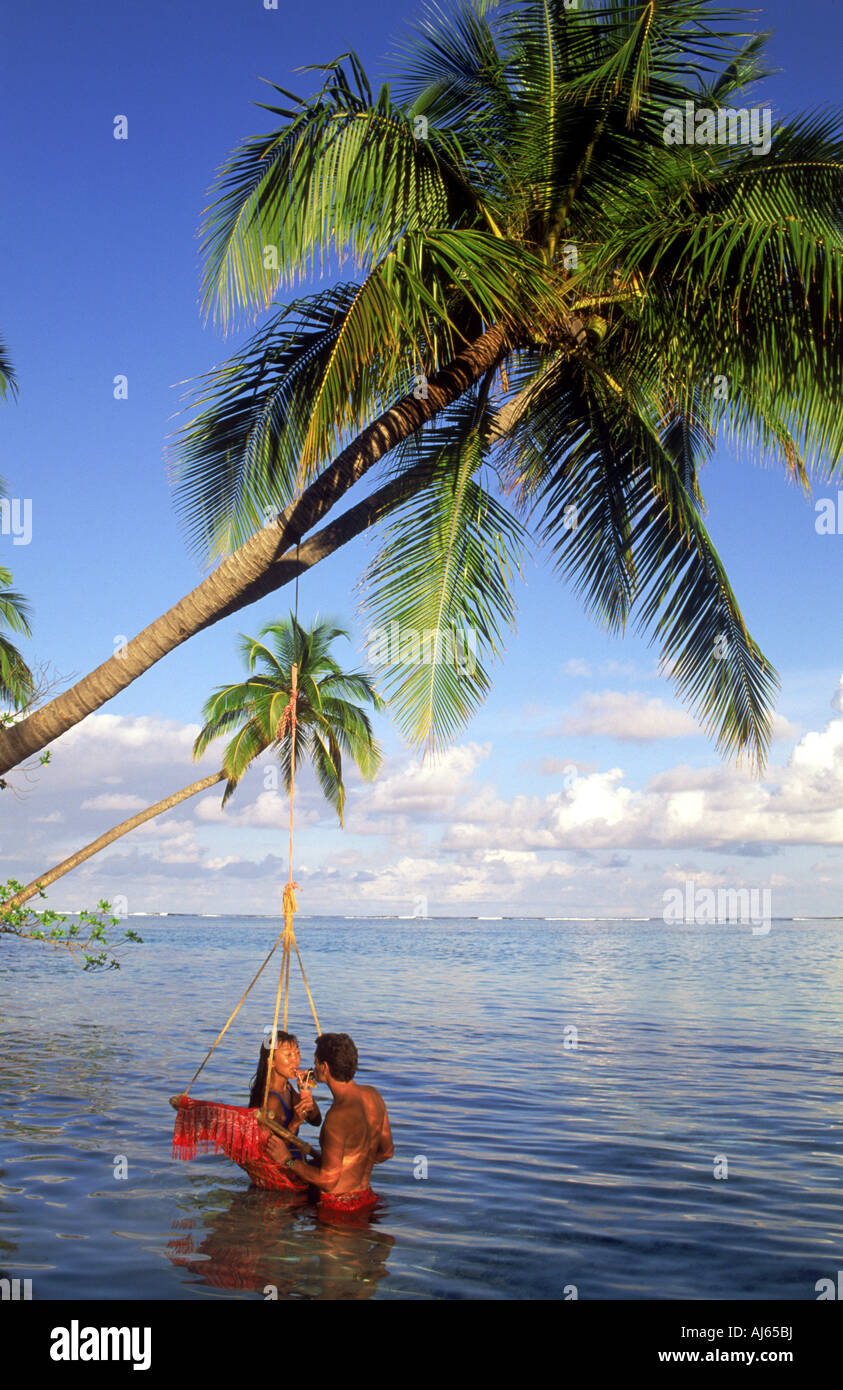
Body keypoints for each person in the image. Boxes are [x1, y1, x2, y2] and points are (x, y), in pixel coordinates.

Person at [264, 1032, 393, 1214]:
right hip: (367, 1198)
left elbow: (328, 1180)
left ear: (324, 1067)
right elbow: (387, 1152)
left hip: (338, 1209)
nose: (311, 1067)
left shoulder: (337, 1116)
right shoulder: (374, 1096)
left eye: (315, 1062)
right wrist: (352, 1164)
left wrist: (288, 1160)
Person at [240, 1029, 322, 1191]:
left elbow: (316, 1121)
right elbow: (269, 1153)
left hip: (295, 1163)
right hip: (281, 1174)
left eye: (297, 1053)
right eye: (288, 1055)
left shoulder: (288, 1089)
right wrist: (295, 1123)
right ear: (271, 1062)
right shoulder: (270, 1100)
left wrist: (306, 1091)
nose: (296, 1061)